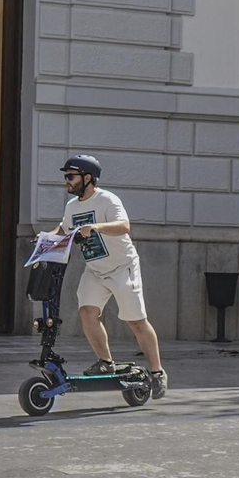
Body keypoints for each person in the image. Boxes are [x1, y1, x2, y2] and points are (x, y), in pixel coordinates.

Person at [54, 155, 167, 398]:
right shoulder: (72, 207)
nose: (66, 181)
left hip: (122, 267)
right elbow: (63, 229)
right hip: (95, 269)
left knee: (136, 322)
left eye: (70, 177)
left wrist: (95, 228)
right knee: (87, 312)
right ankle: (105, 362)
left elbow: (124, 226)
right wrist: (45, 240)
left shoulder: (106, 199)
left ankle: (157, 373)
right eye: (65, 177)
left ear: (87, 178)